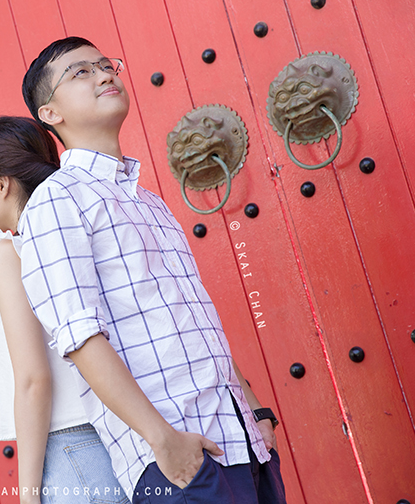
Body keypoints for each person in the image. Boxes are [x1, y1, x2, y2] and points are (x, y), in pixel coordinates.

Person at [18, 36, 287, 503]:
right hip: (178, 460)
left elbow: (192, 318)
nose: (105, 74)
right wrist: (162, 441)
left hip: (240, 441)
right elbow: (80, 338)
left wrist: (255, 410)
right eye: (81, 72)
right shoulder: (56, 201)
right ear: (50, 113)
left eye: (106, 65)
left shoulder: (149, 201)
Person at [0, 116, 130, 504]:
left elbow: (33, 380)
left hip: (71, 445)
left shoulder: (9, 252)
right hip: (117, 435)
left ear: (2, 185)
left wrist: (27, 496)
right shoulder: (78, 227)